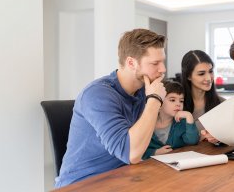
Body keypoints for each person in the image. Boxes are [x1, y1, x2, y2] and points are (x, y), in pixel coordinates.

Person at [55, 28, 167, 187]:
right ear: (131, 63)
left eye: (163, 62)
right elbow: (130, 153)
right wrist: (154, 100)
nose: (163, 69)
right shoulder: (97, 94)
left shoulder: (143, 90)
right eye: (155, 63)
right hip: (82, 184)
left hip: (121, 176)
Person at [142, 81, 199, 160]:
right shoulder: (146, 123)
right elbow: (138, 150)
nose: (178, 104)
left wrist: (189, 116)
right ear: (159, 102)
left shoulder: (182, 122)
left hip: (175, 164)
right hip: (152, 166)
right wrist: (155, 152)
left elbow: (192, 140)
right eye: (172, 100)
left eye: (181, 101)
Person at [180, 50, 224, 142]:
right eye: (201, 74)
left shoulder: (222, 104)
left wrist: (220, 138)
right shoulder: (176, 103)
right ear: (188, 76)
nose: (208, 78)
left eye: (211, 71)